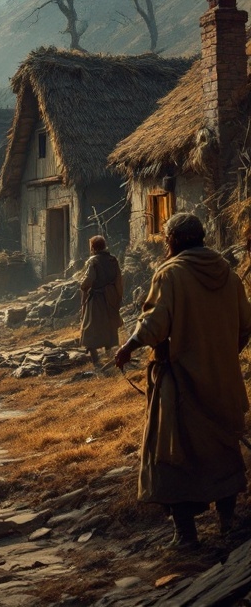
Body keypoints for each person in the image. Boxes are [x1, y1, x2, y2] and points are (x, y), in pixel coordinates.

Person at [115, 212, 251, 549]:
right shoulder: (229, 276)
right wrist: (220, 355)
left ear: (173, 241)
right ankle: (227, 524)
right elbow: (246, 326)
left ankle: (185, 534)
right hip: (222, 380)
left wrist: (128, 346)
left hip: (180, 382)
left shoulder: (171, 274)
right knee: (223, 449)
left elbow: (155, 324)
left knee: (171, 452)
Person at [80, 235, 123, 366]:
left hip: (97, 299)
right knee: (108, 326)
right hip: (110, 297)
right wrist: (117, 297)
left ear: (93, 247)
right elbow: (119, 280)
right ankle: (109, 356)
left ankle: (96, 360)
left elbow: (89, 279)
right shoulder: (113, 260)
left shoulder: (93, 261)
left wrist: (83, 286)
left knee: (91, 327)